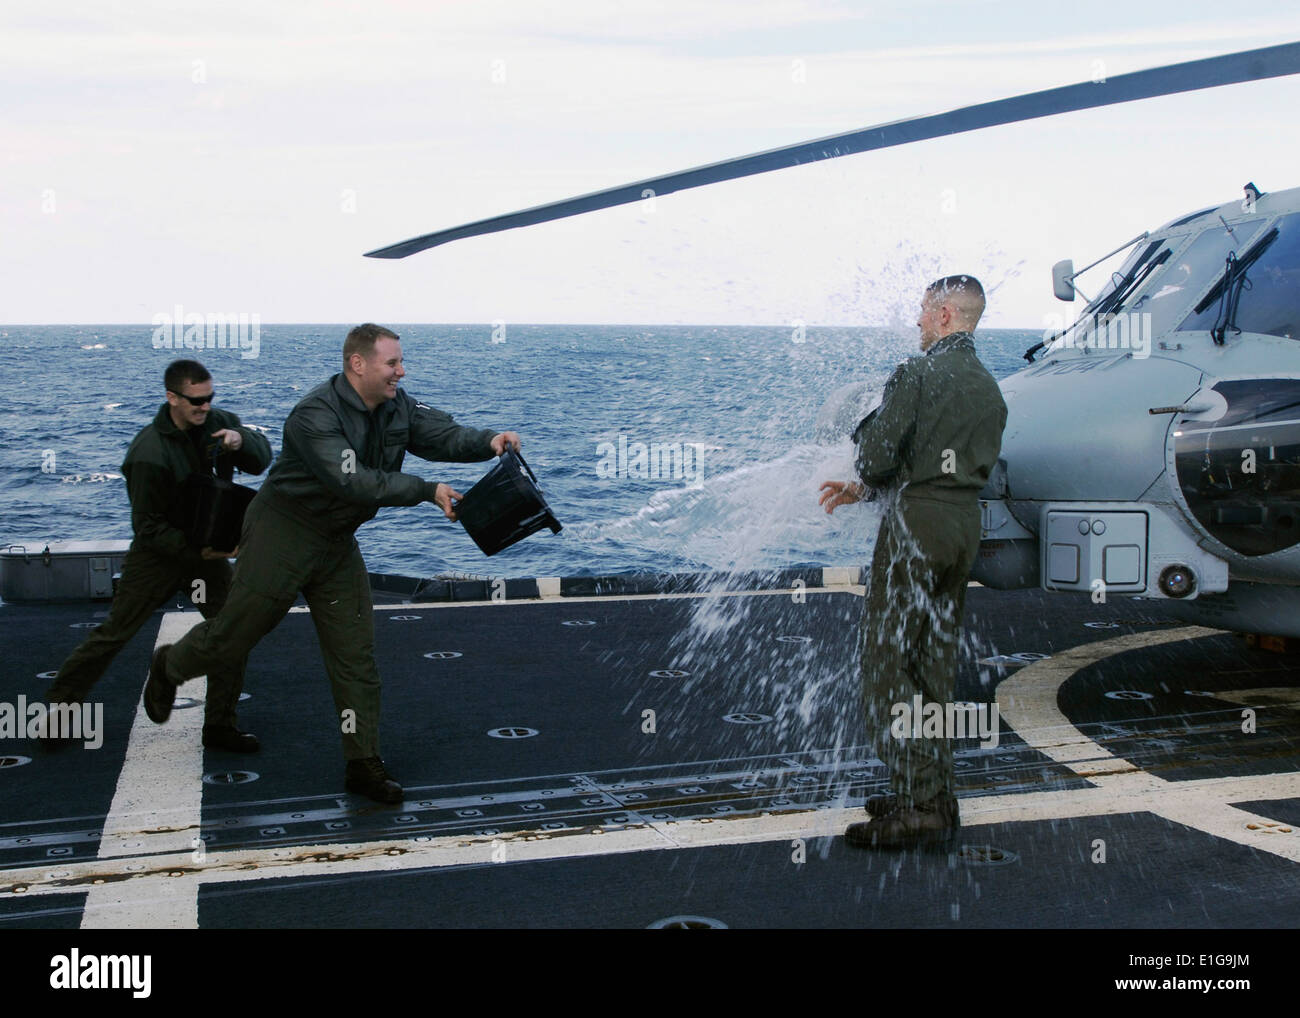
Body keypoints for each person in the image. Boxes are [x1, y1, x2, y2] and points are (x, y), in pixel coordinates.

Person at [142, 324, 522, 804]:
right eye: (392, 364)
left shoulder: (395, 404)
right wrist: (427, 491)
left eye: (401, 363)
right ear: (357, 364)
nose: (401, 372)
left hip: (336, 542)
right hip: (284, 532)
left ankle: (362, 764)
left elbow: (439, 434)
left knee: (354, 654)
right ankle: (170, 666)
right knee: (232, 636)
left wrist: (490, 440)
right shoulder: (313, 415)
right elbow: (355, 482)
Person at [819, 275, 1007, 848]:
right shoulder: (989, 387)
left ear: (946, 314)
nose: (919, 321)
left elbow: (878, 458)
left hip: (916, 524)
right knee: (933, 664)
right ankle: (932, 791)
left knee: (886, 664)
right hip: (961, 525)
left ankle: (921, 806)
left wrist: (865, 468)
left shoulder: (917, 373)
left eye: (925, 311)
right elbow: (944, 461)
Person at [44, 359, 272, 751]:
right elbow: (147, 526)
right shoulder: (148, 452)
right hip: (158, 558)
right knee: (113, 635)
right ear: (172, 397)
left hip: (207, 558)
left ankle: (219, 725)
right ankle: (57, 715)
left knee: (232, 633)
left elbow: (261, 460)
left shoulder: (220, 423)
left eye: (209, 398)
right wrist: (195, 550)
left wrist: (241, 440)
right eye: (196, 401)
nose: (205, 407)